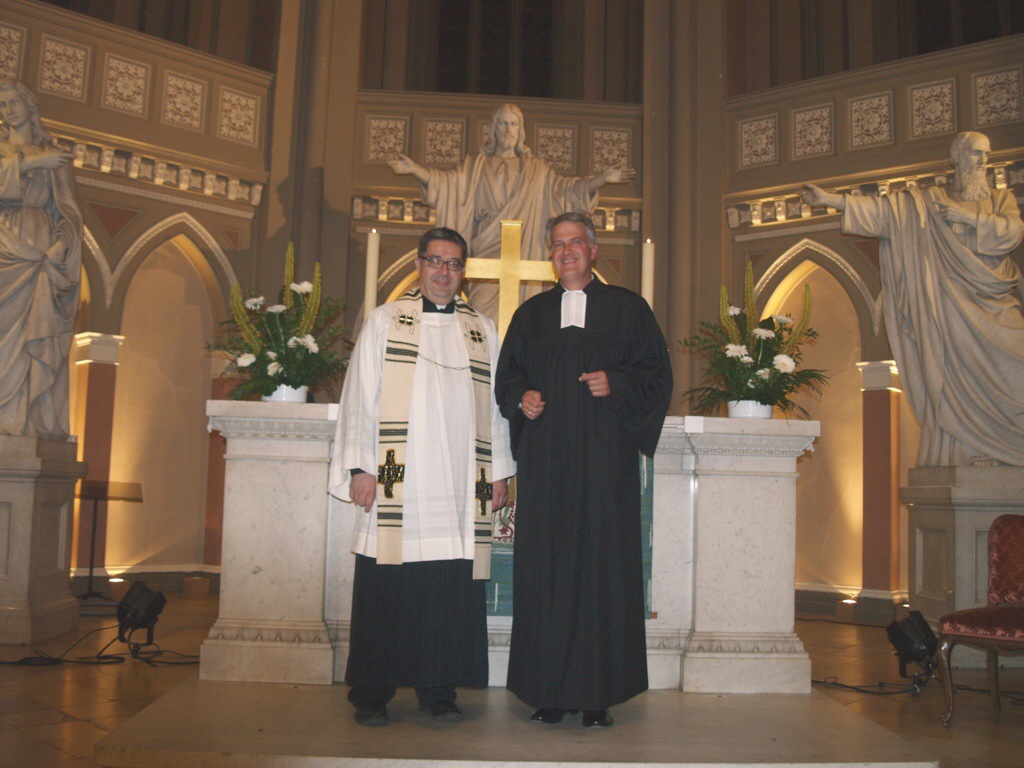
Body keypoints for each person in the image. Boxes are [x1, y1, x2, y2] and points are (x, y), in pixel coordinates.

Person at [329, 227, 514, 727]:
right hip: (397, 477)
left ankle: (439, 691)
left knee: (447, 587)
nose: (443, 272)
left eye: (453, 264)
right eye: (435, 261)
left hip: (460, 481)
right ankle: (372, 693)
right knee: (387, 586)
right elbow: (360, 395)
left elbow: (497, 409)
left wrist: (498, 472)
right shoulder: (386, 321)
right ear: (418, 264)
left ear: (463, 272)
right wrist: (361, 467)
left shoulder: (481, 330)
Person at [494, 212, 673, 728]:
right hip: (547, 466)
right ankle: (546, 692)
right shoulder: (531, 315)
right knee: (545, 571)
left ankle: (599, 695)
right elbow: (507, 379)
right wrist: (521, 398)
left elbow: (656, 376)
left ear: (594, 251)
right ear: (550, 254)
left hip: (604, 466)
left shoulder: (628, 309)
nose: (566, 251)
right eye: (557, 244)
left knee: (602, 570)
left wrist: (617, 382)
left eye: (575, 243)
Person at [804, 131, 1024, 467]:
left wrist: (967, 218)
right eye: (975, 153)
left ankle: (1009, 445)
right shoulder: (926, 203)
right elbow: (884, 213)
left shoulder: (1000, 198)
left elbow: (1012, 232)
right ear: (957, 156)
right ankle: (966, 450)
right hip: (946, 308)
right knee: (955, 374)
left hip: (993, 300)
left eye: (986, 155)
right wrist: (832, 200)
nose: (983, 161)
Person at [388, 103, 634, 322]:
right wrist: (415, 170)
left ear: (520, 131)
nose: (508, 130)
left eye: (514, 124)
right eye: (503, 124)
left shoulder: (537, 171)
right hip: (488, 256)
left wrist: (602, 179)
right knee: (482, 319)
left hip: (525, 253)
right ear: (494, 129)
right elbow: (447, 185)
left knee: (526, 318)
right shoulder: (476, 166)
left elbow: (567, 192)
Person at [0, 78, 81, 440]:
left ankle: (30, 420)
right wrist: (31, 163)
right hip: (4, 244)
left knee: (33, 335)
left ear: (29, 106)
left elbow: (68, 211)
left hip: (38, 247)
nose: (8, 111)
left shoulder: (55, 155)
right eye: (2, 106)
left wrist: (61, 244)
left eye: (14, 103)